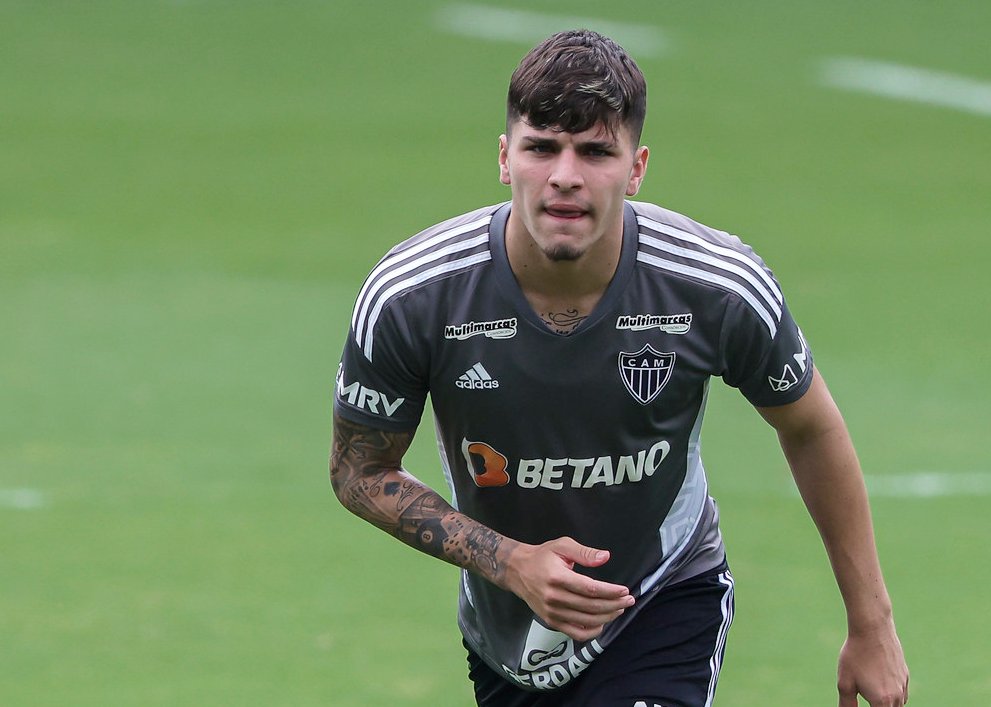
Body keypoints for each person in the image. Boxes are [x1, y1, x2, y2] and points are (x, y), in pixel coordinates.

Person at [330, 29, 909, 707]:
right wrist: (509, 561)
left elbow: (810, 428)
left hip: (664, 595)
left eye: (595, 151)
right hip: (509, 630)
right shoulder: (414, 295)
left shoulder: (714, 285)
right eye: (541, 146)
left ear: (635, 169)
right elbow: (358, 470)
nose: (565, 175)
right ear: (503, 157)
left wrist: (871, 625)